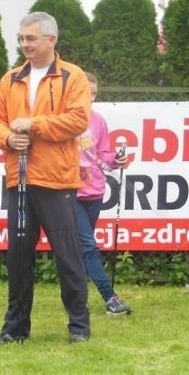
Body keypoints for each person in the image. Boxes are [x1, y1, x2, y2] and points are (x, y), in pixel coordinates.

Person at [0, 11, 92, 344]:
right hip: (18, 181)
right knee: (18, 258)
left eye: (31, 38)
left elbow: (78, 121)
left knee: (68, 256)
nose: (24, 45)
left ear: (51, 40)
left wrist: (34, 125)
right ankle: (15, 328)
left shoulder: (71, 77)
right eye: (21, 38)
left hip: (57, 180)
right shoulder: (11, 78)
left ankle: (79, 326)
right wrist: (7, 138)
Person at [74, 72, 131, 316]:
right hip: (70, 192)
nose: (91, 97)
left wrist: (117, 160)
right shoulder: (63, 120)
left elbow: (104, 155)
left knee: (81, 248)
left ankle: (76, 296)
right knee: (88, 246)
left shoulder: (98, 121)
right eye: (87, 92)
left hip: (95, 191)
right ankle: (110, 297)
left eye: (95, 93)